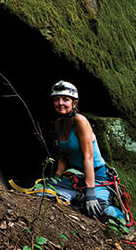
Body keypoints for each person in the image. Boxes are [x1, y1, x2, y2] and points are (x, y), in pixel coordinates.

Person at [49, 80, 126, 223]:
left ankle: (120, 217)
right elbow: (63, 155)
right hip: (75, 175)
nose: (60, 103)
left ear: (74, 103)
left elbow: (88, 158)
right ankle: (78, 195)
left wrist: (90, 193)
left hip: (97, 176)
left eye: (65, 99)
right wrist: (56, 179)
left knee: (96, 210)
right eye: (56, 99)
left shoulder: (81, 121)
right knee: (46, 193)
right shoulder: (58, 124)